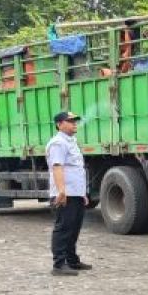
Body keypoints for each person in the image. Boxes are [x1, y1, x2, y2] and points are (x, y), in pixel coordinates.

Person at [46, 110, 92, 276]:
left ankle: (72, 260)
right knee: (64, 228)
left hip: (75, 192)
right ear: (59, 124)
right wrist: (61, 191)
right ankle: (59, 264)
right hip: (65, 193)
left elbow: (77, 170)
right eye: (70, 121)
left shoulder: (71, 142)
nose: (74, 124)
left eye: (75, 121)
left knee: (74, 227)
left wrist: (82, 193)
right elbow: (57, 167)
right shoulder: (58, 143)